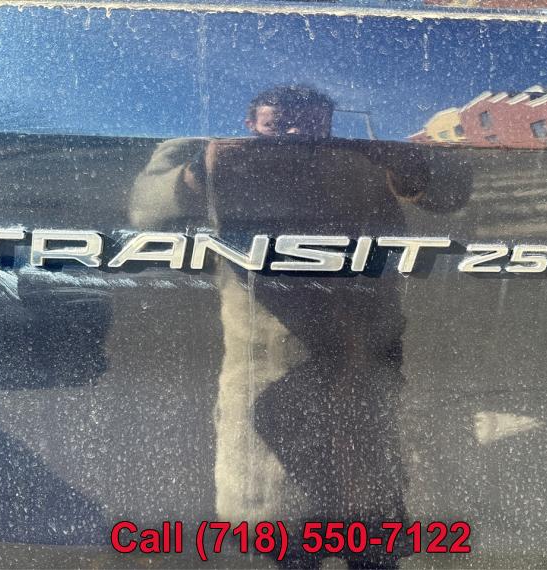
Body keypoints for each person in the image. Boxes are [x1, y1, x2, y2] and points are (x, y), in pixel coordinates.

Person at [128, 85, 463, 567]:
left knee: (373, 522)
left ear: (329, 123)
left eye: (309, 123)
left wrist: (404, 163)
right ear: (249, 123)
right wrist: (198, 172)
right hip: (264, 362)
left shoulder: (364, 153)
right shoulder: (208, 148)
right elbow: (145, 210)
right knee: (275, 524)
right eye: (276, 123)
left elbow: (454, 191)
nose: (292, 134)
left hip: (367, 361)